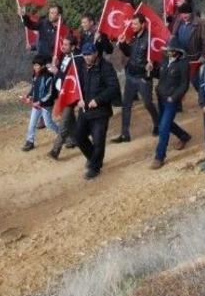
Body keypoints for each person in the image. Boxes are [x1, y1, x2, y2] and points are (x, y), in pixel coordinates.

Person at [74, 40, 120, 180]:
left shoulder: (106, 67)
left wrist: (98, 100)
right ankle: (94, 158)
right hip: (84, 110)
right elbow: (76, 85)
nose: (87, 57)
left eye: (89, 54)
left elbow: (113, 88)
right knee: (79, 137)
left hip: (100, 111)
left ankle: (95, 167)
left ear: (95, 53)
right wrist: (78, 99)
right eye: (84, 55)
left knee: (98, 141)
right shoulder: (80, 67)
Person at [113, 14, 157, 143]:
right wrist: (121, 44)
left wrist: (152, 65)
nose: (133, 26)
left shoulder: (150, 38)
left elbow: (156, 55)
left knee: (148, 103)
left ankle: (158, 124)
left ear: (143, 24)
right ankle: (125, 134)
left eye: (135, 24)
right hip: (131, 75)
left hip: (143, 77)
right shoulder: (133, 37)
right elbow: (129, 53)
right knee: (126, 105)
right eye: (132, 24)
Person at [150, 40, 192, 170]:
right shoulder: (164, 60)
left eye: (171, 50)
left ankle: (159, 157)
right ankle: (184, 136)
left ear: (178, 51)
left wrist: (173, 97)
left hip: (171, 100)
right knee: (166, 123)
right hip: (161, 97)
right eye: (168, 50)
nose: (169, 52)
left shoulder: (183, 64)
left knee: (163, 128)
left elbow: (184, 84)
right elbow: (161, 75)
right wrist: (151, 70)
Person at [47, 36, 84, 159]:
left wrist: (57, 72)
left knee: (63, 123)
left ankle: (55, 150)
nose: (63, 46)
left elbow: (71, 79)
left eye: (66, 45)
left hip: (70, 95)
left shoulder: (77, 59)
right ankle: (75, 140)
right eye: (63, 44)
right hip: (62, 93)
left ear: (73, 47)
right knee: (71, 120)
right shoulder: (65, 55)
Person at [20, 55, 59, 152]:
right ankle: (30, 141)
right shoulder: (35, 76)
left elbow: (49, 93)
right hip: (36, 105)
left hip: (46, 105)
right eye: (34, 65)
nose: (35, 67)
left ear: (42, 66)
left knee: (49, 123)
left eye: (37, 65)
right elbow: (34, 88)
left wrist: (40, 102)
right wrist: (28, 96)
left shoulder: (49, 77)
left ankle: (64, 134)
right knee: (32, 123)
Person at [169, 2, 205, 77]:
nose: (184, 15)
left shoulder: (199, 23)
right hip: (181, 57)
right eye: (182, 13)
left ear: (191, 13)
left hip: (195, 59)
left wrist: (204, 57)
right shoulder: (178, 22)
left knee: (195, 79)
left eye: (186, 13)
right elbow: (173, 37)